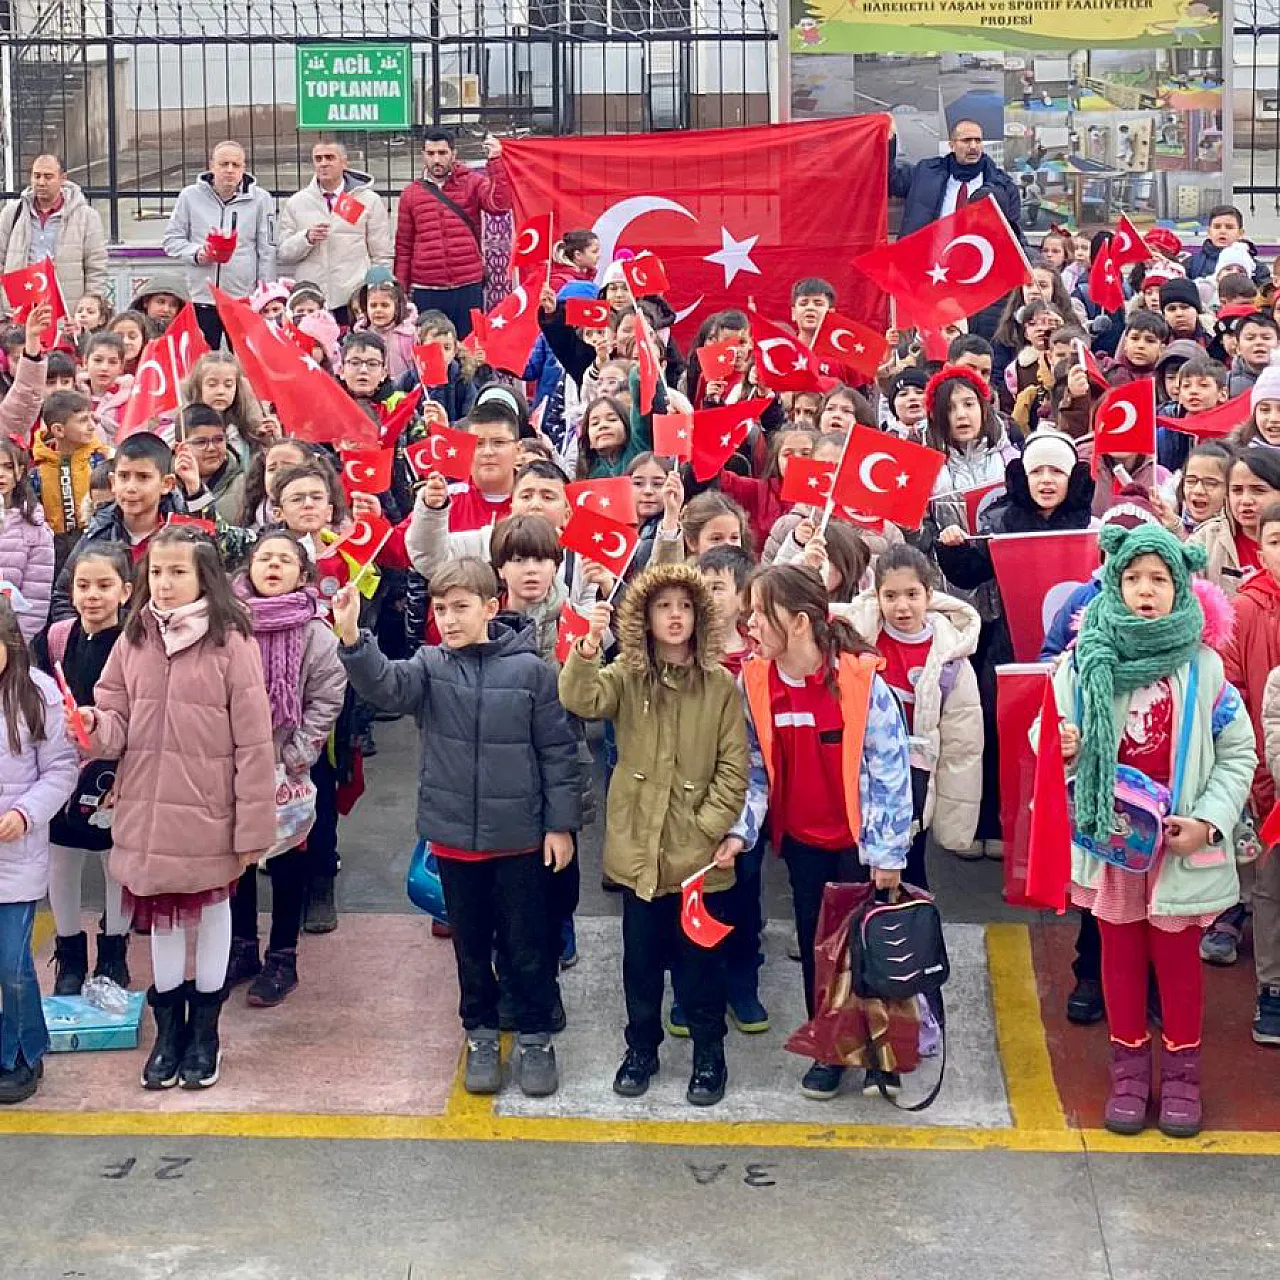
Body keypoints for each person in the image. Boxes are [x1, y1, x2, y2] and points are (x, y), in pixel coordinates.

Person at [335, 557, 580, 1099]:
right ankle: (482, 1034)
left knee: (527, 944)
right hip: (455, 842)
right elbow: (386, 686)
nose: (448, 618)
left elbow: (559, 754)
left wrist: (560, 826)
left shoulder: (533, 674)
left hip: (519, 841)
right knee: (471, 947)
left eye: (461, 607)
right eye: (441, 609)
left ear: (492, 608)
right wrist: (353, 637)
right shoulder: (429, 666)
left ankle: (536, 1036)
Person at [1044, 523, 1255, 1138]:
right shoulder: (1084, 660)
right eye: (1132, 578)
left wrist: (1210, 823)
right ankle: (1130, 1069)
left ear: (1181, 587)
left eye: (1158, 579)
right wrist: (1061, 747)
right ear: (1112, 581)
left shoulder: (1206, 668)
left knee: (1178, 960)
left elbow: (1238, 752)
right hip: (1112, 845)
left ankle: (1184, 1073)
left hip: (1177, 845)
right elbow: (1046, 732)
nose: (1144, 590)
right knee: (1119, 955)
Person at [71, 526, 277, 1090]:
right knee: (159, 921)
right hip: (146, 810)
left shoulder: (230, 641)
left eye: (177, 572)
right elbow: (114, 717)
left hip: (209, 813)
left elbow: (255, 742)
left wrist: (253, 822)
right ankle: (169, 1032)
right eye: (156, 572)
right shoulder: (134, 637)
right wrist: (93, 727)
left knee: (212, 916)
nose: (163, 583)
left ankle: (205, 1034)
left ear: (203, 577)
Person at [559, 562, 752, 1106]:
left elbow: (733, 770)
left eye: (685, 607)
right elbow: (581, 699)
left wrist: (706, 827)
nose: (675, 616)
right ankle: (640, 1048)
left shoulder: (719, 687)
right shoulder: (626, 677)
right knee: (639, 964)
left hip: (699, 861)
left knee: (701, 968)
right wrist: (586, 647)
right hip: (638, 853)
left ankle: (709, 1057)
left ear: (700, 617)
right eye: (664, 606)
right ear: (643, 616)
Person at [741, 564, 913, 1100]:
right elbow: (751, 770)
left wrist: (887, 853)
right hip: (803, 846)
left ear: (796, 623)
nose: (748, 624)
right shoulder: (755, 684)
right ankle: (832, 1049)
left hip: (861, 849)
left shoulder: (862, 683)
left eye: (757, 613)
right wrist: (739, 833)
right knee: (819, 952)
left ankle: (885, 1053)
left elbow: (890, 772)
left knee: (874, 952)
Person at [227, 530, 346, 1007]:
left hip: (288, 765)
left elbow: (327, 695)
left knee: (285, 860)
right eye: (264, 558)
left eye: (284, 560)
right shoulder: (228, 624)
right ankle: (242, 947)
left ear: (303, 574)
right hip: (233, 762)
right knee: (237, 858)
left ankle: (282, 956)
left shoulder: (315, 630)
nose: (272, 566)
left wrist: (299, 753)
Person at [839, 544, 983, 879]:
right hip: (864, 770)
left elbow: (963, 744)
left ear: (929, 594)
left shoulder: (950, 657)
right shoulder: (857, 640)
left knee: (909, 863)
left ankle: (907, 926)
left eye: (912, 594)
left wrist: (954, 819)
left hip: (914, 776)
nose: (902, 606)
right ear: (876, 597)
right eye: (890, 596)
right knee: (857, 864)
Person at [38, 543, 133, 995]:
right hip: (62, 770)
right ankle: (70, 955)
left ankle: (114, 954)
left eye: (104, 585)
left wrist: (132, 775)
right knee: (62, 860)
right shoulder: (56, 638)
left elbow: (145, 718)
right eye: (82, 585)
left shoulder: (136, 646)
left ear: (125, 591)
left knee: (116, 865)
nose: (92, 595)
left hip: (114, 772)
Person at [0, 596, 79, 1104]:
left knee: (11, 962)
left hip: (16, 857)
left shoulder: (37, 695)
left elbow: (61, 769)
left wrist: (25, 813)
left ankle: (23, 1051)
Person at [393, 128, 512, 340]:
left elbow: (499, 205)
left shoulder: (472, 182)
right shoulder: (411, 194)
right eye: (431, 154)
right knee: (431, 351)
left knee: (470, 348)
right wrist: (401, 290)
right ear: (423, 155)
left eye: (442, 153)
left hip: (467, 285)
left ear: (453, 154)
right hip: (426, 287)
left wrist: (495, 162)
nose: (436, 159)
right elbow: (404, 246)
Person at [162, 141, 277, 349]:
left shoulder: (261, 199)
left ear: (244, 167)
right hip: (200, 296)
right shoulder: (189, 197)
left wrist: (265, 294)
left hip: (242, 298)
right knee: (202, 360)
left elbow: (267, 249)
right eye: (224, 164)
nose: (230, 170)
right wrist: (197, 253)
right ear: (212, 166)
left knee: (245, 360)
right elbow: (171, 240)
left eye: (236, 164)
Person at [276, 140, 393, 327]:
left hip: (352, 298)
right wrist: (306, 238)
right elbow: (283, 252)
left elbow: (381, 253)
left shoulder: (368, 201)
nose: (323, 163)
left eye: (330, 158)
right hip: (311, 300)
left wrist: (376, 291)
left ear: (344, 163)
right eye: (318, 159)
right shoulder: (297, 202)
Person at [0, 154, 108, 304]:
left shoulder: (86, 217)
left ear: (63, 178)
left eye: (48, 177)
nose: (41, 182)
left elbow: (96, 267)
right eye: (36, 176)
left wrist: (91, 303)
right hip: (21, 307)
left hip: (66, 308)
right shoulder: (12, 213)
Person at [888, 118, 1021, 239]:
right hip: (928, 261)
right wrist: (888, 141)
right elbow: (890, 182)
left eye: (978, 140)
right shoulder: (924, 173)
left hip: (979, 261)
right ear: (952, 145)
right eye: (966, 140)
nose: (973, 146)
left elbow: (1015, 236)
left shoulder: (1004, 186)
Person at [0, 439, 54, 643]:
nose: (1, 474)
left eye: (7, 466)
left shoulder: (35, 528)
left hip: (11, 643)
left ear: (20, 471)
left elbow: (36, 600)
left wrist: (16, 647)